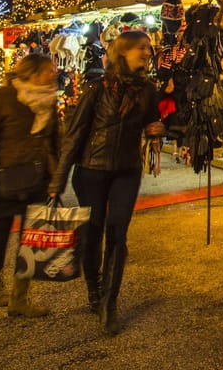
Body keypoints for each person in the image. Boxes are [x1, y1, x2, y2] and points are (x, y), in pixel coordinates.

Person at [49, 30, 164, 336]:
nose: (147, 53)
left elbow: (153, 121)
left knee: (118, 233)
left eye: (149, 49)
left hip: (126, 169)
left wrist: (157, 129)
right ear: (122, 52)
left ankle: (109, 303)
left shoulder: (148, 90)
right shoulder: (98, 89)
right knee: (92, 232)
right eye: (142, 48)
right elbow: (74, 135)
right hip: (92, 169)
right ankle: (93, 290)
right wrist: (57, 182)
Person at [0, 53, 61, 317]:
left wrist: (57, 178)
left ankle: (19, 297)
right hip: (5, 179)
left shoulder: (50, 99)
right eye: (48, 70)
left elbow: (55, 141)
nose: (53, 73)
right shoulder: (4, 97)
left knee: (31, 239)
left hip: (38, 178)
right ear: (32, 72)